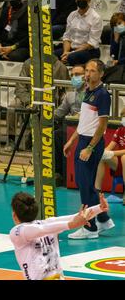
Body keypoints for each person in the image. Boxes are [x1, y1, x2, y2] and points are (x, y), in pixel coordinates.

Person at [63, 59, 115, 239]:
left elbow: (101, 126)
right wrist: (72, 140)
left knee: (85, 186)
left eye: (92, 71)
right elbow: (84, 122)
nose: (87, 74)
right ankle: (103, 218)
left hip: (91, 143)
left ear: (100, 74)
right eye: (87, 70)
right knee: (85, 184)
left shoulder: (102, 95)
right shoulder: (88, 91)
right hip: (82, 140)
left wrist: (90, 148)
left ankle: (90, 227)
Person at [10, 191, 109, 280]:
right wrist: (71, 224)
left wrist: (99, 208)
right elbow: (41, 229)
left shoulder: (17, 232)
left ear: (14, 215)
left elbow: (76, 217)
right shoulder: (35, 228)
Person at [54, 64, 86, 184]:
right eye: (72, 75)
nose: (74, 78)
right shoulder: (70, 95)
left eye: (77, 75)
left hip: (86, 128)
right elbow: (59, 113)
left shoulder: (93, 93)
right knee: (55, 134)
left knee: (60, 134)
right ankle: (58, 173)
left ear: (85, 76)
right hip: (70, 128)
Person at [54, 0, 102, 66]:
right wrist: (65, 52)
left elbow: (91, 43)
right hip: (71, 48)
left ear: (89, 0)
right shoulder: (72, 15)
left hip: (89, 50)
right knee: (51, 55)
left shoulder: (96, 17)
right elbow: (67, 37)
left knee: (72, 58)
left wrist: (70, 53)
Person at [95, 107, 125, 205]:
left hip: (123, 159)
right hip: (119, 162)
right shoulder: (120, 130)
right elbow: (110, 147)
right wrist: (104, 152)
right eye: (123, 116)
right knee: (101, 156)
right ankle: (97, 191)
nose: (124, 119)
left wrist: (113, 153)